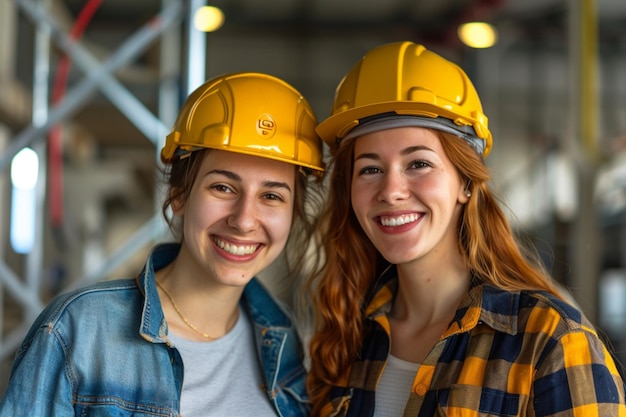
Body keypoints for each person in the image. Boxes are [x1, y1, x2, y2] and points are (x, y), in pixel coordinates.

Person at [306, 41, 626, 417]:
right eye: (370, 169)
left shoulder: (550, 342)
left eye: (418, 164)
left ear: (466, 184)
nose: (391, 191)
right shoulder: (347, 340)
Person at [0, 72, 325, 416]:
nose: (244, 220)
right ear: (179, 195)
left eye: (272, 195)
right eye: (222, 188)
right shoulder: (78, 331)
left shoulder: (287, 345)